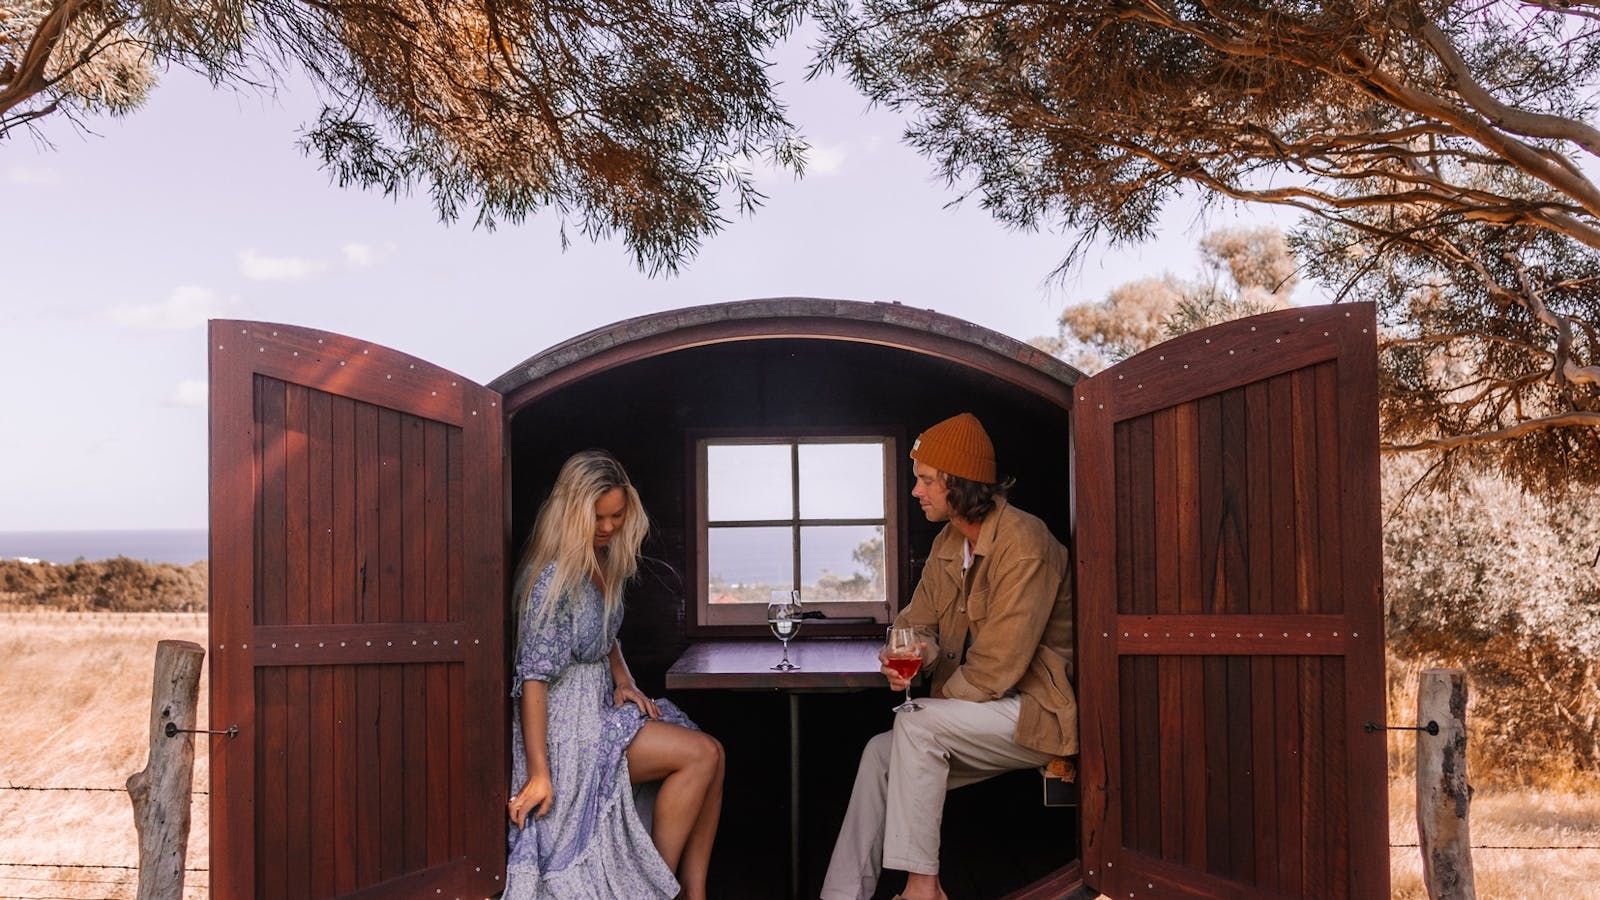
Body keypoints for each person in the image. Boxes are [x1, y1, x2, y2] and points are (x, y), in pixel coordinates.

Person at [821, 413, 1077, 900]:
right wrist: (915, 650)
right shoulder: (949, 542)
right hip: (979, 712)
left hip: (1037, 715)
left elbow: (997, 669)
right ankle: (840, 896)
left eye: (925, 480)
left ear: (958, 483)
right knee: (880, 754)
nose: (916, 491)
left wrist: (931, 700)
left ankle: (922, 890)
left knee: (915, 724)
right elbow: (913, 621)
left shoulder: (1025, 543)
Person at [505, 450, 724, 900]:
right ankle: (652, 888)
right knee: (700, 754)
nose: (607, 527)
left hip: (600, 709)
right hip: (566, 732)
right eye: (597, 518)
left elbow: (607, 635)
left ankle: (694, 893)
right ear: (572, 514)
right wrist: (539, 773)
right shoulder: (552, 579)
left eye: (616, 516)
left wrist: (623, 679)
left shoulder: (602, 561)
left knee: (714, 754)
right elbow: (533, 679)